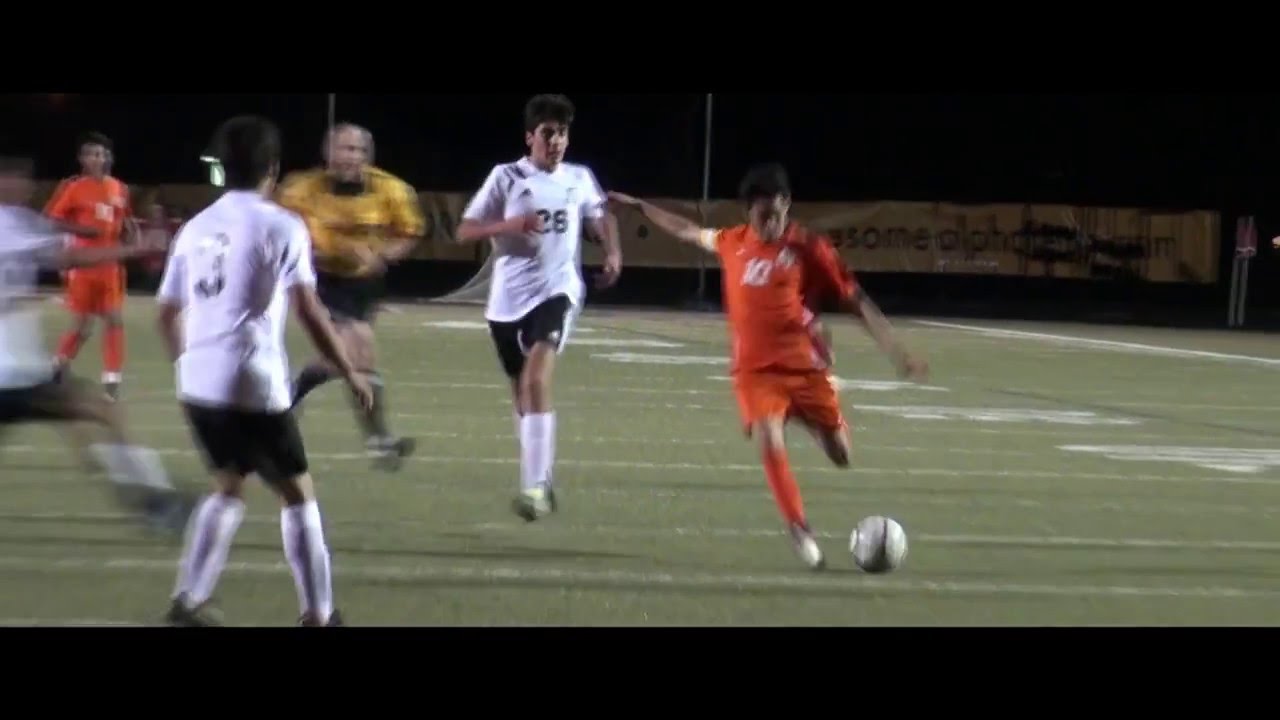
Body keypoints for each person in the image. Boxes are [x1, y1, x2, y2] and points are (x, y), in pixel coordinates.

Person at [608, 163, 928, 570]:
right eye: (763, 215)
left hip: (807, 370)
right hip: (755, 372)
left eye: (777, 213)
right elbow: (686, 230)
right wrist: (638, 205)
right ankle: (799, 528)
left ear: (787, 205)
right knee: (768, 438)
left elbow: (856, 299)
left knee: (842, 455)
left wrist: (896, 350)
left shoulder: (810, 248)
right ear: (748, 212)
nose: (771, 222)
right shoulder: (732, 241)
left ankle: (807, 417)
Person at [157, 115, 373, 627]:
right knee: (297, 493)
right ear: (272, 170)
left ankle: (187, 600)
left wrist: (190, 367)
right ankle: (319, 614)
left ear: (222, 170)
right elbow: (309, 311)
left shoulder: (194, 228)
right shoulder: (281, 224)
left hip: (198, 383)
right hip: (252, 382)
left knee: (229, 483)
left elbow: (166, 314)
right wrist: (351, 372)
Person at [456, 93, 622, 522]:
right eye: (548, 133)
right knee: (521, 395)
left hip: (558, 290)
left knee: (536, 379)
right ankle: (539, 476)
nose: (557, 141)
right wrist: (507, 225)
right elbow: (465, 230)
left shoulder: (579, 178)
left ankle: (534, 487)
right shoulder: (506, 177)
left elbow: (603, 216)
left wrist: (612, 251)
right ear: (531, 136)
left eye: (563, 133)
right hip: (506, 302)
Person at [0, 155, 187, 533]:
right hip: (14, 374)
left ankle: (150, 499)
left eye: (26, 180)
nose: (25, 187)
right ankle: (157, 502)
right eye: (16, 179)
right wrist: (132, 250)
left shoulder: (19, 222)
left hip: (23, 370)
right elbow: (70, 255)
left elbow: (61, 244)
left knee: (89, 422)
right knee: (100, 414)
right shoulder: (9, 223)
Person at [276, 123, 423, 470]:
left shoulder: (391, 189)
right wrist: (328, 252)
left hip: (362, 285)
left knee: (342, 360)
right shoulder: (301, 190)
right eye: (343, 148)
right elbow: (283, 232)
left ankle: (288, 396)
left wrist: (383, 255)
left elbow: (409, 232)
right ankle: (380, 441)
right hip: (318, 278)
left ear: (368, 156)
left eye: (357, 150)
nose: (350, 156)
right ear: (327, 153)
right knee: (360, 345)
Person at [43, 133, 136, 401]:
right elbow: (51, 220)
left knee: (114, 320)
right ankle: (58, 365)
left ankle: (111, 382)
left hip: (110, 267)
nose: (100, 158)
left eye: (103, 154)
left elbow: (125, 221)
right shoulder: (73, 188)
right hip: (83, 267)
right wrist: (81, 229)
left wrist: (131, 235)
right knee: (83, 326)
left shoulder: (119, 188)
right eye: (94, 154)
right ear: (83, 159)